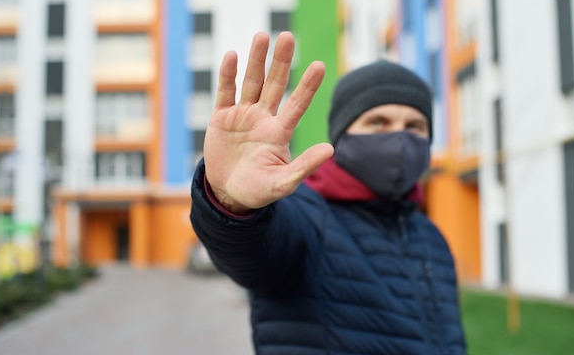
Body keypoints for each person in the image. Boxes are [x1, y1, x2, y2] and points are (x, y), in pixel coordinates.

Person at [190, 31, 467, 354]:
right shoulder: (306, 214)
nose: (399, 139)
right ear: (342, 136)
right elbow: (255, 252)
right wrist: (232, 204)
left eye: (415, 127)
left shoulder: (431, 237)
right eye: (378, 122)